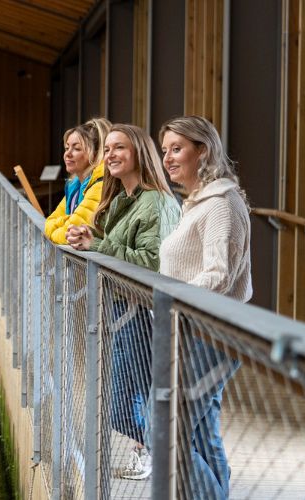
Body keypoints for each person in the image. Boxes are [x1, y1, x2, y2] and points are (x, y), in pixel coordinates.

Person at [67, 124, 181, 480]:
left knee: (119, 404)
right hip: (121, 306)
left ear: (139, 155)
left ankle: (164, 451)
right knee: (130, 393)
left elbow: (152, 261)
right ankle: (152, 451)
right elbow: (117, 246)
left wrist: (97, 246)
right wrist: (89, 235)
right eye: (108, 149)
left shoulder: (157, 201)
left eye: (120, 148)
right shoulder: (122, 199)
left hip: (143, 310)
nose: (110, 155)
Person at [158, 116, 250, 499]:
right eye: (164, 150)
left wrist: (167, 299)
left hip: (209, 333)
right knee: (199, 427)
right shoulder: (195, 203)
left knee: (168, 432)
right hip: (193, 328)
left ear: (203, 151)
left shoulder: (219, 204)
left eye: (176, 149)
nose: (167, 158)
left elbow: (218, 274)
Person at [45, 123, 106, 244]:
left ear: (95, 154)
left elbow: (68, 235)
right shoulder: (74, 186)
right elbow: (49, 221)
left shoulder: (100, 185)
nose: (68, 154)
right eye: (67, 148)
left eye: (76, 148)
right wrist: (66, 220)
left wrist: (59, 225)